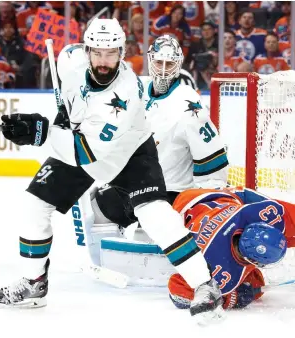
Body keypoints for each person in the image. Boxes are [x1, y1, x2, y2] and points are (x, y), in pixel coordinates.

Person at [0, 18, 223, 323]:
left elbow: (89, 153)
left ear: (122, 52)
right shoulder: (72, 70)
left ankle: (204, 285)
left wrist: (40, 132)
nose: (104, 61)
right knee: (34, 203)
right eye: (98, 52)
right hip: (81, 145)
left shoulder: (126, 94)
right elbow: (70, 117)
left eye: (111, 53)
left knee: (155, 214)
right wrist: (39, 125)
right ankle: (34, 282)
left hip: (129, 155)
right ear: (87, 50)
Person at [89, 35, 228, 275]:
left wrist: (206, 204)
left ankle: (176, 258)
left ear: (179, 65)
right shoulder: (135, 89)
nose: (163, 71)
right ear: (150, 60)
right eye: (159, 63)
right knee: (97, 202)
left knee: (153, 222)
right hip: (137, 183)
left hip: (172, 192)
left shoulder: (188, 104)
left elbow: (213, 158)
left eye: (169, 64)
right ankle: (103, 265)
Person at [168, 187, 295, 310]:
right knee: (256, 284)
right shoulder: (211, 264)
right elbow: (177, 291)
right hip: (186, 207)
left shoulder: (258, 214)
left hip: (228, 200)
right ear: (252, 261)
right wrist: (232, 298)